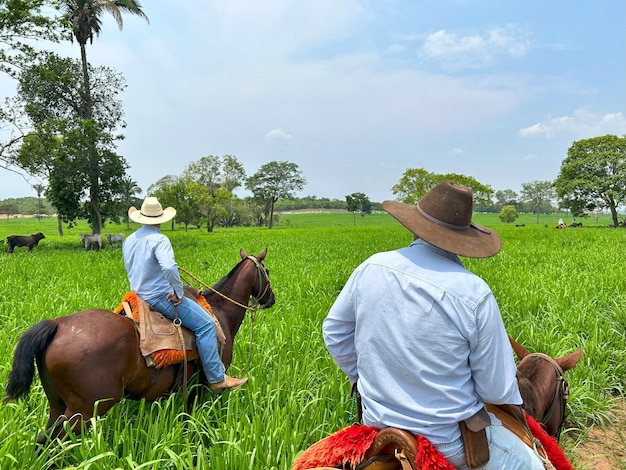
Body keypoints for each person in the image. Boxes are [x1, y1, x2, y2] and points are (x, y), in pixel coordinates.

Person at [322, 181, 545, 469]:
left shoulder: (371, 267)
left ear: (415, 226)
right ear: (464, 238)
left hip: (378, 428)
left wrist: (363, 378)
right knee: (534, 463)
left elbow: (335, 332)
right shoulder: (474, 293)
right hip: (448, 441)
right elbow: (497, 391)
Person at [122, 196, 247, 394]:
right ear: (160, 219)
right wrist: (178, 292)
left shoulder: (130, 239)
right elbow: (169, 268)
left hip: (138, 296)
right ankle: (216, 379)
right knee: (206, 325)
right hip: (159, 298)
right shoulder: (160, 239)